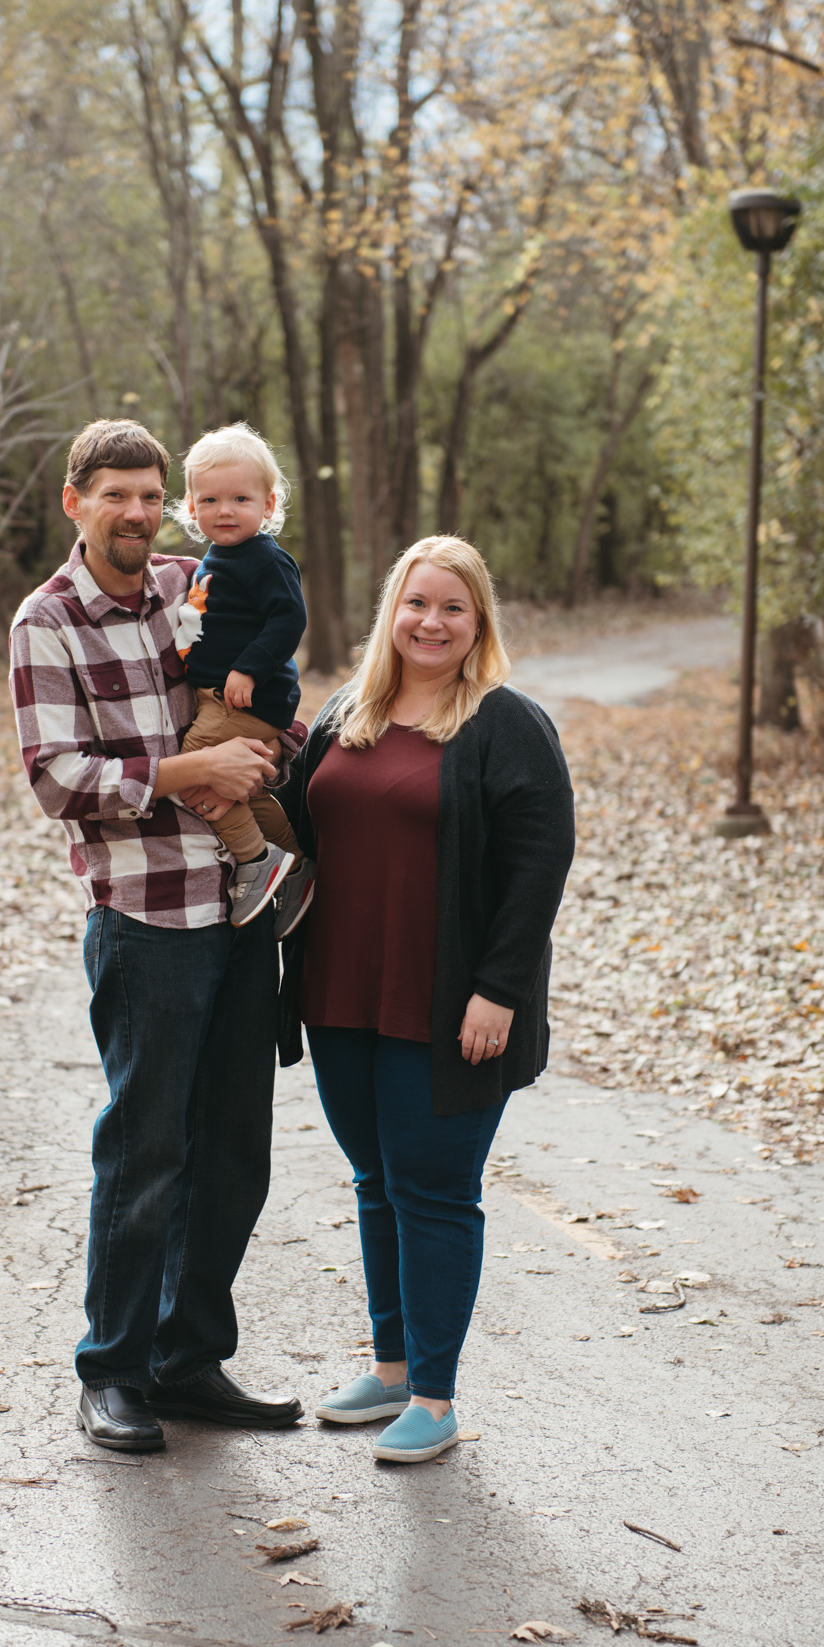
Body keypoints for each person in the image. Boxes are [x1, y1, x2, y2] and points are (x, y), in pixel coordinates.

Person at [8, 417, 305, 1452]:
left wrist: (271, 738)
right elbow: (57, 780)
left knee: (232, 1152)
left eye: (148, 494)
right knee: (146, 1152)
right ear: (74, 502)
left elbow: (274, 660)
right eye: (113, 495)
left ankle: (188, 1362)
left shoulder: (197, 580)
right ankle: (114, 1371)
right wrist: (192, 775)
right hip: (145, 922)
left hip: (239, 914)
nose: (135, 512)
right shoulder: (46, 622)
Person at [274, 536, 575, 1463]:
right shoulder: (345, 712)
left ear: (477, 620)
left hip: (447, 1006)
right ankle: (394, 1368)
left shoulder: (503, 722)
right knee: (375, 1183)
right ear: (390, 614)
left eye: (451, 607)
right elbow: (295, 824)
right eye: (416, 604)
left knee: (434, 1193)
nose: (430, 622)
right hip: (339, 995)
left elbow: (539, 865)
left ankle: (436, 1401)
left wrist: (498, 993)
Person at [170, 423, 315, 934]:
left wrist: (248, 668)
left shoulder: (265, 558)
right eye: (209, 499)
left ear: (268, 503)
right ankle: (299, 866)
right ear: (190, 507)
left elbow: (288, 620)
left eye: (240, 498)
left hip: (250, 699)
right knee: (247, 795)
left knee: (190, 768)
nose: (224, 510)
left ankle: (257, 860)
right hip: (223, 697)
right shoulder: (219, 555)